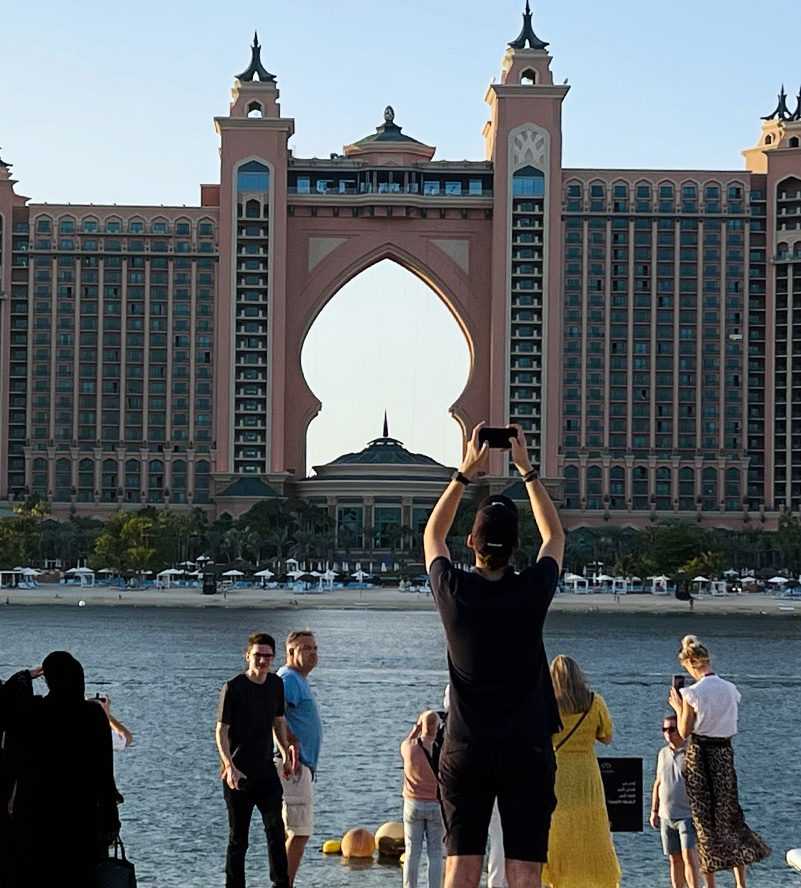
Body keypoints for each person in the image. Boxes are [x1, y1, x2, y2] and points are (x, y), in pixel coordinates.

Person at [424, 422, 565, 888]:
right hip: (527, 748)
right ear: (516, 549)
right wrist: (526, 470)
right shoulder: (530, 591)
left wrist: (465, 471)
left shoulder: (455, 591)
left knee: (460, 868)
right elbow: (555, 539)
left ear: (472, 543)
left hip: (466, 748)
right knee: (524, 873)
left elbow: (432, 537)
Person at [3, 652, 121, 888]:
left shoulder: (33, 713)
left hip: (36, 821)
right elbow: (105, 772)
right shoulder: (92, 715)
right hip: (81, 822)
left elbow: (4, 701)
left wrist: (27, 675)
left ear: (49, 680)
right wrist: (110, 819)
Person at [669, 635, 770, 888]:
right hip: (724, 753)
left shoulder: (692, 692)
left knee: (704, 822)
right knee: (730, 816)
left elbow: (683, 731)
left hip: (701, 755)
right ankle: (740, 882)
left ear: (692, 662)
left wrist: (679, 706)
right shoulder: (730, 689)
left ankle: (710, 883)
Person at [216, 632, 296, 888]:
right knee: (239, 839)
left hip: (266, 772)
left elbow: (278, 721)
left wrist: (284, 753)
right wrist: (229, 766)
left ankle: (281, 884)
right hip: (239, 774)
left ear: (274, 658)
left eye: (268, 656)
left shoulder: (275, 684)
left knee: (275, 830)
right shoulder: (234, 687)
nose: (263, 661)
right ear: (247, 656)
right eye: (258, 655)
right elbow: (221, 730)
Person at [542, 655, 620, 888]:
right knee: (591, 830)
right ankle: (594, 880)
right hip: (587, 774)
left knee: (559, 831)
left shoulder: (547, 703)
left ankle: (560, 880)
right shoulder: (595, 702)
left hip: (558, 774)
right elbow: (607, 736)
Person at [277, 630, 322, 885]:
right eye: (306, 648)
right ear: (291, 652)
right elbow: (274, 714)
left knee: (291, 830)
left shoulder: (297, 680)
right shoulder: (289, 679)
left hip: (300, 765)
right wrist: (290, 745)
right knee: (300, 832)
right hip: (294, 765)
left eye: (315, 648)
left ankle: (282, 880)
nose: (313, 653)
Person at [650, 713, 703, 888]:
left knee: (689, 856)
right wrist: (654, 811)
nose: (668, 733)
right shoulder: (662, 753)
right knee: (674, 858)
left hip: (687, 815)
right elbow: (658, 783)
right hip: (667, 816)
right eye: (664, 729)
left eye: (672, 729)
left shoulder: (690, 752)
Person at [400, 711, 445, 888]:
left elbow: (405, 741)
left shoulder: (409, 748)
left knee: (412, 851)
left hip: (413, 804)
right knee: (435, 853)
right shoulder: (440, 751)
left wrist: (416, 729)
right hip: (435, 805)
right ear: (436, 727)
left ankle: (409, 886)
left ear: (422, 726)